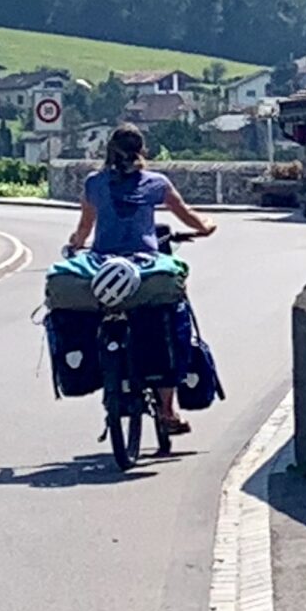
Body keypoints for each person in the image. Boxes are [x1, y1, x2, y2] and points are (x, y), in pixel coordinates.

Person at [69, 127, 216, 431]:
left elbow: (84, 229)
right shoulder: (156, 184)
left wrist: (74, 244)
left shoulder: (94, 183)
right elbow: (189, 217)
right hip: (145, 266)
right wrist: (207, 226)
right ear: (142, 150)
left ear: (109, 150)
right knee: (171, 314)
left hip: (102, 265)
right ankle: (167, 411)